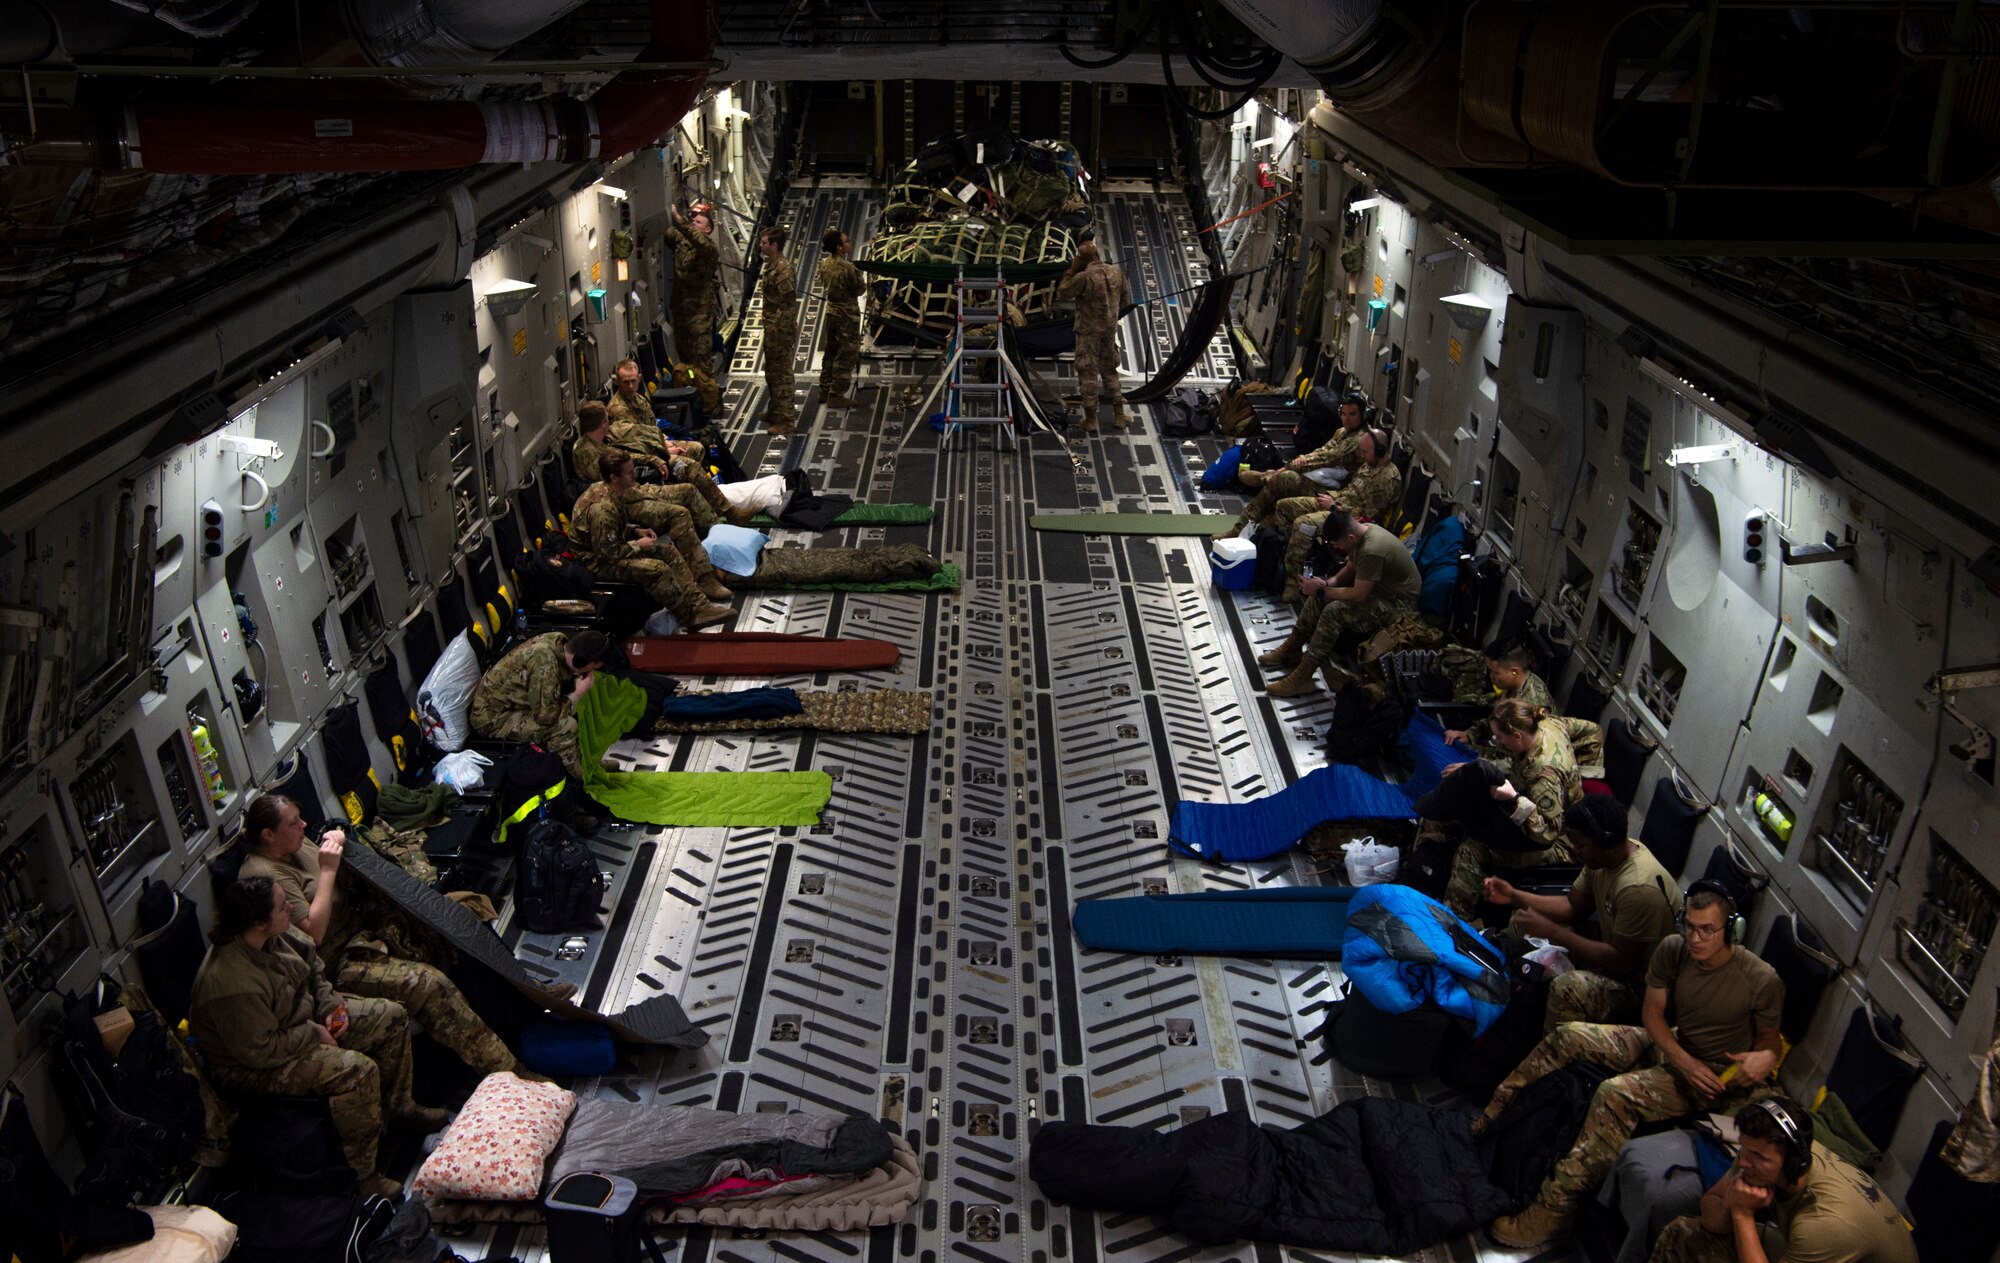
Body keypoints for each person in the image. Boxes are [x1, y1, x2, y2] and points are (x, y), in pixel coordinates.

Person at [1481, 883, 1785, 1248]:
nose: (1696, 937)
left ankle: (1554, 1210)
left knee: (1614, 1095)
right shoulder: (1674, 950)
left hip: (1716, 1079)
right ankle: (1492, 1118)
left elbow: (1770, 1041)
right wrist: (1681, 1059)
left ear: (1730, 931)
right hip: (1677, 1049)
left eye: (1707, 930)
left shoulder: (1760, 979)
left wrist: (1763, 1057)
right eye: (1689, 926)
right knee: (1570, 1037)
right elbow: (1652, 1014)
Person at [238, 795, 532, 1079]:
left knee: (452, 930)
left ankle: (519, 1012)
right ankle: (507, 1071)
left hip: (364, 928)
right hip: (337, 961)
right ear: (268, 835)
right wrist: (328, 871)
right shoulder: (265, 877)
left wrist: (338, 842)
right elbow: (313, 934)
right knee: (429, 984)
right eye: (293, 822)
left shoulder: (295, 846)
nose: (304, 825)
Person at [189, 876, 444, 1198]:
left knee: (391, 1017)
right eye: (283, 907)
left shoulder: (275, 935)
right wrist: (313, 1033)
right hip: (252, 1067)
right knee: (356, 1071)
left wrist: (330, 1005)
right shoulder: (230, 983)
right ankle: (364, 1178)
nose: (292, 910)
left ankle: (400, 1109)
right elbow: (259, 1051)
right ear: (259, 923)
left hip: (296, 1022)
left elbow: (312, 967)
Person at [1481, 795, 1681, 1027]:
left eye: (1581, 845)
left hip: (1643, 987)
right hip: (1615, 948)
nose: (1575, 851)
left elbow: (1622, 962)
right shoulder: (1605, 859)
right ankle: (1509, 996)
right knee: (1519, 925)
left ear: (1605, 841)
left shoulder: (1638, 887)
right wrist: (1514, 896)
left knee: (1566, 989)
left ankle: (1550, 1047)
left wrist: (1554, 932)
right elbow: (1572, 907)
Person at [1649, 1096, 1917, 1263]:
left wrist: (1742, 1214)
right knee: (1683, 1231)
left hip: (1833, 1242)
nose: (1743, 1162)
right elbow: (1711, 1211)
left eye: (1756, 1156)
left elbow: (1733, 1214)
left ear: (1793, 1161)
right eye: (1743, 1148)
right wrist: (1731, 1205)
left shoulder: (1826, 1224)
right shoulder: (1759, 1156)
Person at [1441, 698, 1590, 915]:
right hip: (1538, 814)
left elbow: (1547, 833)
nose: (1499, 743)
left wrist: (1514, 798)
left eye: (1501, 738)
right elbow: (1517, 765)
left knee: (1473, 849)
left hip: (1561, 842)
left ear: (1517, 736)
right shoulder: (1546, 724)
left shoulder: (1544, 776)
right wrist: (1477, 769)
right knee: (1455, 811)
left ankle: (1456, 920)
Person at [1260, 509, 1421, 698]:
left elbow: (1359, 595)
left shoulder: (1372, 549)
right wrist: (1326, 584)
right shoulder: (1364, 531)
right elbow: (1350, 568)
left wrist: (1321, 590)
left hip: (1399, 606)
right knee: (1318, 597)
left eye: (1338, 544)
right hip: (1379, 593)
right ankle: (1293, 648)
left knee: (1334, 611)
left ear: (1350, 537)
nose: (1338, 548)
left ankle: (1303, 676)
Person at [570, 454, 735, 629]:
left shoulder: (609, 491)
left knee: (669, 552)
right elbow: (605, 554)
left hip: (611, 548)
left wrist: (633, 530)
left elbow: (611, 531)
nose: (635, 475)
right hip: (595, 562)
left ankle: (700, 606)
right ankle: (687, 617)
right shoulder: (602, 510)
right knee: (658, 569)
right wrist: (637, 544)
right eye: (629, 473)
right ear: (614, 478)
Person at [467, 629, 611, 782]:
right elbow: (545, 717)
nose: (591, 673)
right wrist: (577, 695)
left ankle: (586, 763)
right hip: (493, 718)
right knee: (565, 725)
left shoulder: (558, 641)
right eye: (592, 668)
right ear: (579, 661)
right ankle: (581, 779)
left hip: (514, 705)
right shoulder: (545, 662)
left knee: (576, 709)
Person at [1276, 428, 1403, 598]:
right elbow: (1351, 489)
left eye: (1365, 452)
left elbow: (1366, 518)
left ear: (1380, 450)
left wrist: (1334, 507)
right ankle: (1295, 558)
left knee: (1303, 524)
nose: (1362, 456)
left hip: (1344, 517)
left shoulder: (1386, 479)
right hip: (1336, 502)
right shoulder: (1369, 465)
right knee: (1283, 506)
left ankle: (1292, 581)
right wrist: (1332, 500)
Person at [1222, 395, 1368, 513]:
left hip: (1337, 490)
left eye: (1352, 414)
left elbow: (1327, 458)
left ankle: (1264, 477)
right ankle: (1247, 525)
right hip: (1325, 475)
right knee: (1275, 485)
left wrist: (1291, 466)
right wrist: (1302, 460)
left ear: (1363, 415)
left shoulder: (1360, 439)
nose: (1347, 419)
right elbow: (1323, 450)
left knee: (1283, 477)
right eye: (1343, 414)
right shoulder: (1342, 432)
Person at [1058, 236, 1132, 432]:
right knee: (1110, 370)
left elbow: (1063, 292)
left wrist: (1072, 270)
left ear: (1081, 259)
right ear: (1098, 253)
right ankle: (1119, 414)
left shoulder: (1084, 278)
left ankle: (1091, 419)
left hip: (1088, 333)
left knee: (1088, 372)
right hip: (1109, 331)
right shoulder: (1116, 272)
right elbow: (1126, 301)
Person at [1445, 639, 1554, 749]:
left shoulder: (1527, 706)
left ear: (1514, 671)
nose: (1491, 676)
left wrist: (1477, 758)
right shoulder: (1514, 686)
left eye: (1495, 672)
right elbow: (1496, 720)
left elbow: (1513, 755)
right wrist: (1469, 735)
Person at [667, 203, 721, 378]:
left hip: (699, 312)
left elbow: (694, 236)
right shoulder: (683, 242)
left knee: (701, 359)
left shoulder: (709, 249)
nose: (693, 223)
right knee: (685, 360)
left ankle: (709, 400)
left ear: (707, 229)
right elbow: (666, 232)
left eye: (698, 222)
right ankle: (691, 393)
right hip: (681, 309)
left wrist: (678, 218)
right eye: (693, 221)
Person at [816, 228, 867, 408]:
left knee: (830, 351)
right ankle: (836, 394)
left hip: (831, 312)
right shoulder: (848, 268)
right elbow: (861, 289)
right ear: (839, 247)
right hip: (847, 315)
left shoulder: (824, 264)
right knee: (846, 354)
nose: (849, 244)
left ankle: (824, 389)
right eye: (846, 241)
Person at [758, 226, 799, 434]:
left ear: (774, 245)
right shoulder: (772, 266)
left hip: (780, 331)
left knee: (782, 373)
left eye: (764, 243)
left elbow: (788, 306)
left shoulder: (783, 270)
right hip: (773, 327)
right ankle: (775, 410)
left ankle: (786, 419)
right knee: (772, 371)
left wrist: (779, 331)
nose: (761, 246)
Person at [604, 357, 656, 438]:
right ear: (617, 382)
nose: (630, 386)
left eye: (633, 381)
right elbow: (633, 440)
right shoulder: (618, 409)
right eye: (625, 382)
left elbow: (653, 426)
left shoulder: (639, 399)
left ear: (639, 379)